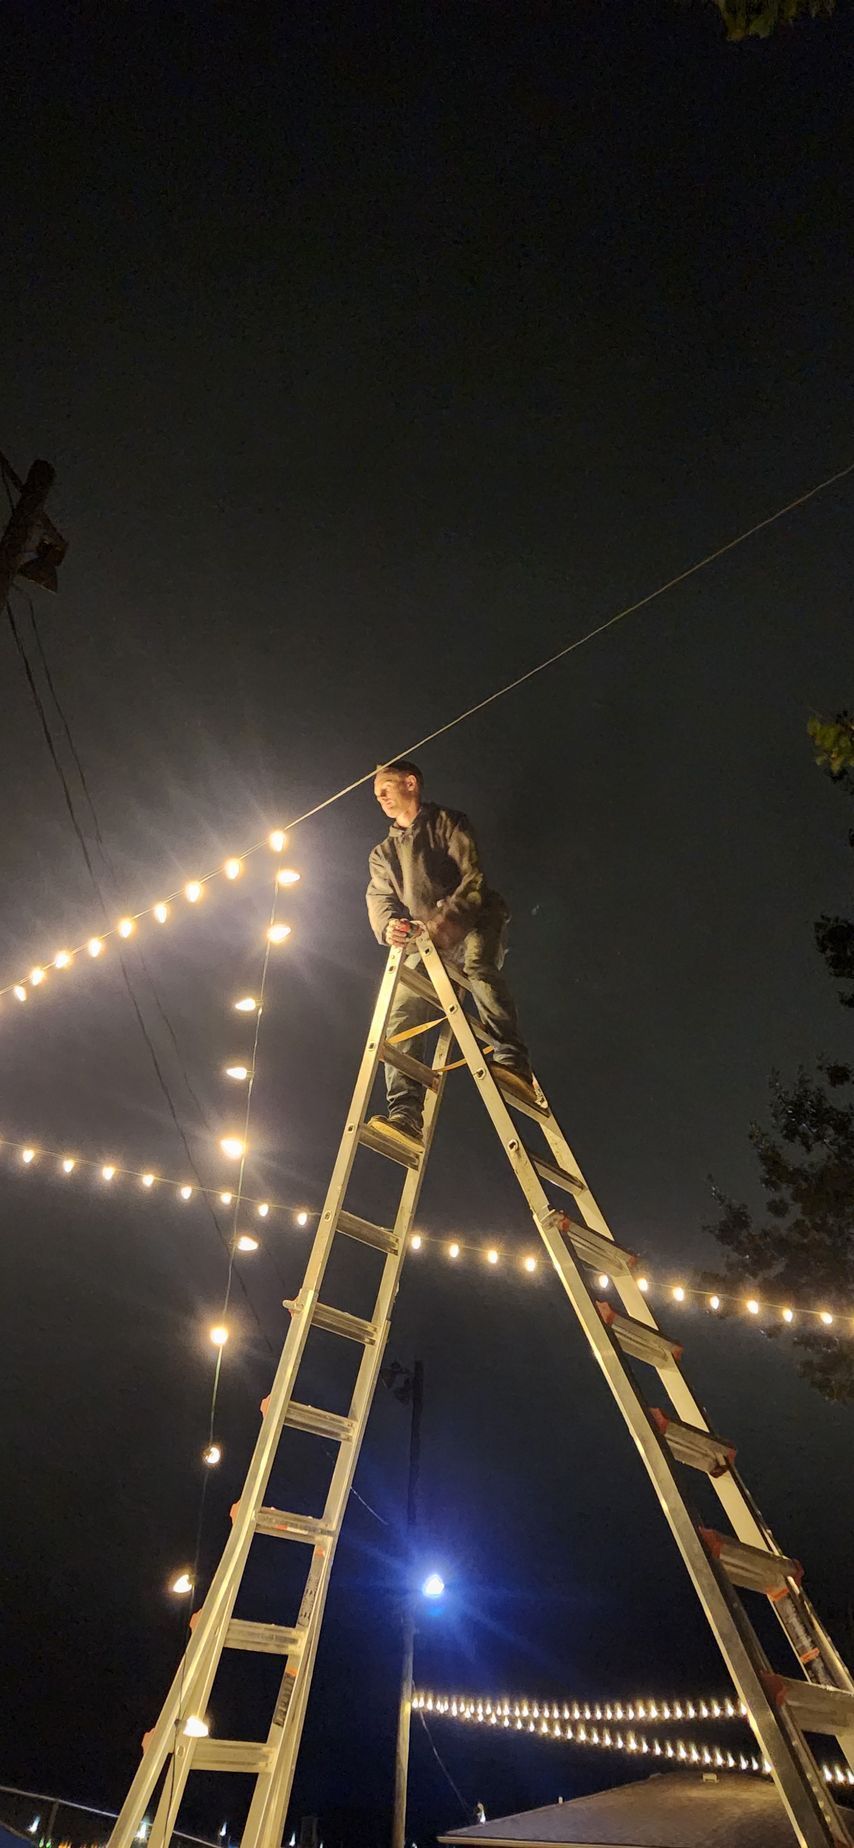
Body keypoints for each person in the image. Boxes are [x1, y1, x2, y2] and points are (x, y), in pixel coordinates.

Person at [365, 758, 533, 1143]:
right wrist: (390, 925)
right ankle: (405, 1112)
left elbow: (473, 881)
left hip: (474, 920)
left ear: (411, 783)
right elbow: (379, 898)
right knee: (402, 1007)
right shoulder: (383, 854)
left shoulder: (450, 824)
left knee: (479, 967)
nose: (382, 799)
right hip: (426, 940)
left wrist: (440, 927)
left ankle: (512, 1060)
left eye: (386, 788)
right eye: (377, 795)